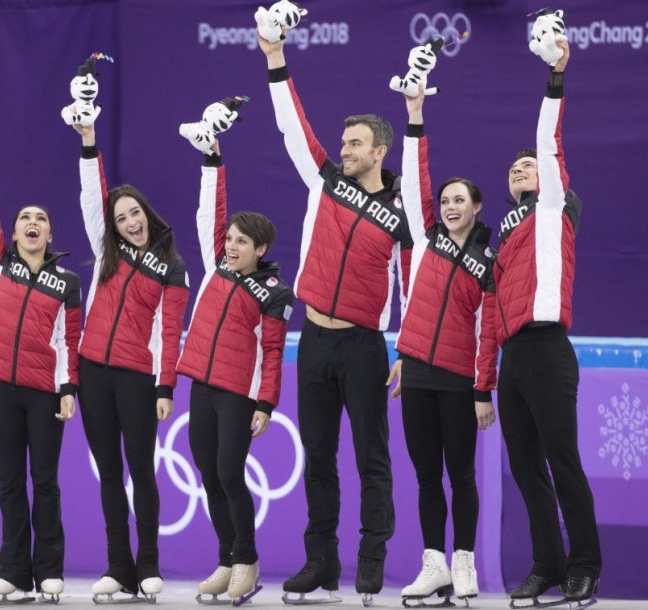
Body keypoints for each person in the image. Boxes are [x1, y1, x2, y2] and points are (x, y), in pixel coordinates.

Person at [258, 28, 413, 604]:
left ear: (381, 151)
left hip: (364, 346)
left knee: (371, 458)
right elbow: (292, 126)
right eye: (343, 143)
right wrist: (276, 58)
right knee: (318, 457)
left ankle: (371, 561)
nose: (343, 150)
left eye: (355, 144)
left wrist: (404, 346)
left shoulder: (402, 214)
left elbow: (413, 284)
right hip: (313, 341)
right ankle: (321, 562)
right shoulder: (325, 183)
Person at [0, 97, 82, 604]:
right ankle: (14, 572)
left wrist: (68, 388)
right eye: (25, 218)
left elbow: (70, 341)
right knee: (10, 484)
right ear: (14, 234)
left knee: (44, 483)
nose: (32, 222)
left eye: (41, 219)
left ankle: (49, 570)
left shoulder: (68, 281)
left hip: (44, 395)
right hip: (3, 393)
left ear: (50, 234)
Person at [495, 40, 601, 605]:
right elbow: (490, 310)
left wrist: (556, 74)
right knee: (526, 470)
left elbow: (548, 142)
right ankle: (549, 566)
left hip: (548, 348)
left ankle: (585, 565)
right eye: (513, 168)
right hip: (512, 358)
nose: (520, 168)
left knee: (562, 461)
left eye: (528, 164)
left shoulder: (555, 208)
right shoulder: (504, 237)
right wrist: (483, 380)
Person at [384, 89, 498, 606]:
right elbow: (414, 177)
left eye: (461, 201)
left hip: (458, 380)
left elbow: (490, 330)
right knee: (427, 476)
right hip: (417, 374)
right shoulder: (425, 239)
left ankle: (464, 563)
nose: (451, 206)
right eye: (446, 200)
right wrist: (414, 115)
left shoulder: (488, 262)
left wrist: (482, 389)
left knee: (461, 477)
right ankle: (433, 564)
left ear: (476, 208)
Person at [72, 120, 190, 602]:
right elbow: (90, 195)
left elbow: (169, 332)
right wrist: (88, 140)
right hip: (91, 376)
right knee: (108, 473)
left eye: (134, 213)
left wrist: (165, 388)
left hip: (138, 380)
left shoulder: (172, 267)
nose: (130, 222)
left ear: (148, 213)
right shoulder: (109, 251)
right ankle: (117, 566)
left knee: (141, 471)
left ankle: (147, 567)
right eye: (120, 218)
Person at [175, 134, 294, 606]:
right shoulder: (215, 269)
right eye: (229, 239)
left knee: (229, 472)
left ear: (260, 248)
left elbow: (273, 351)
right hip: (201, 385)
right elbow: (211, 210)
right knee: (207, 473)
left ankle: (247, 560)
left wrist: (266, 403)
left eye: (241, 242)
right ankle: (227, 558)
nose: (230, 246)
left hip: (238, 393)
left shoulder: (274, 294)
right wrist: (213, 160)